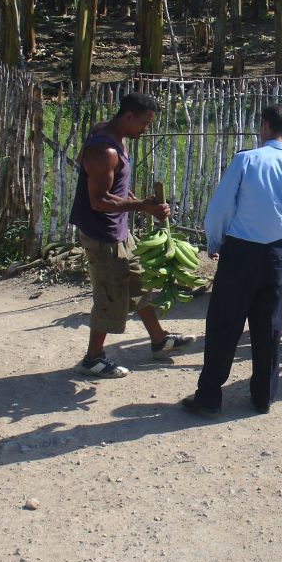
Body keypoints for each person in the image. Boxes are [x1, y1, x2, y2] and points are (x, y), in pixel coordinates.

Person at [182, 104, 282, 417]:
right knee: (268, 327)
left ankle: (209, 396)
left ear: (265, 125)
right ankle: (263, 396)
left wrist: (214, 239)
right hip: (275, 255)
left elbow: (220, 207)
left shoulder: (246, 160)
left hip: (240, 253)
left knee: (224, 324)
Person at [70, 92, 193, 378]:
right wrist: (142, 207)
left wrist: (137, 200)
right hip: (104, 237)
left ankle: (159, 340)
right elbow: (98, 200)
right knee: (110, 297)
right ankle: (93, 358)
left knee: (140, 284)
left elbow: (114, 188)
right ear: (128, 117)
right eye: (145, 122)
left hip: (119, 231)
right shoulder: (105, 151)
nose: (146, 128)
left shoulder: (110, 133)